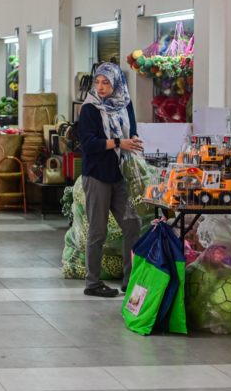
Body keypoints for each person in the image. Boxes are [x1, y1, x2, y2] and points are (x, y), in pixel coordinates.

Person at [78, 62, 144, 298]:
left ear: (116, 83)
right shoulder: (90, 109)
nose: (101, 87)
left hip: (119, 175)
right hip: (97, 176)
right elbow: (88, 144)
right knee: (98, 231)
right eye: (98, 82)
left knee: (132, 224)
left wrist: (133, 139)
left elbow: (132, 128)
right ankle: (92, 283)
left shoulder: (125, 103)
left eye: (106, 82)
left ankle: (130, 280)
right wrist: (118, 143)